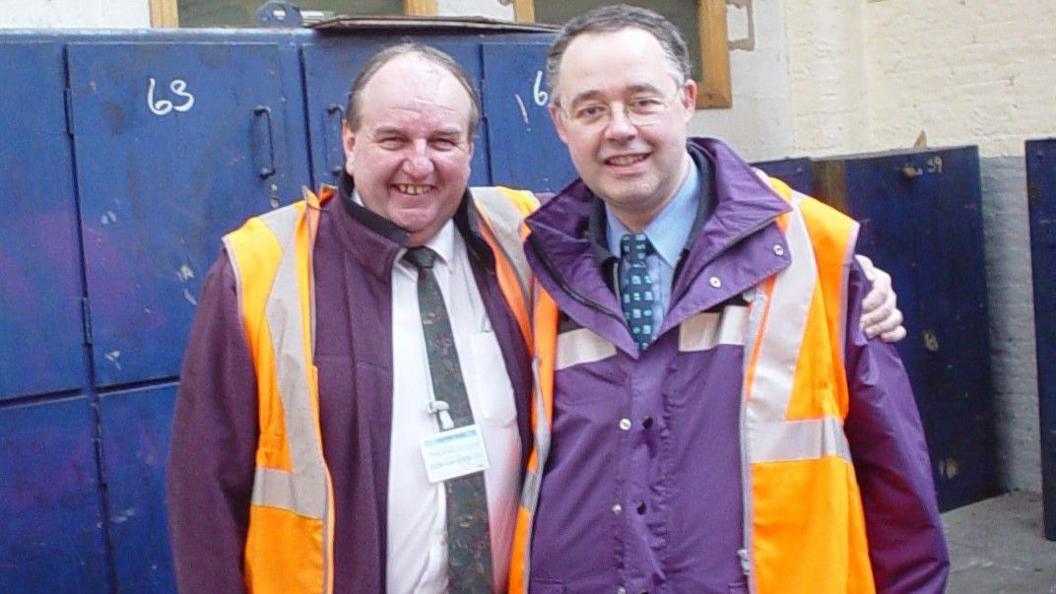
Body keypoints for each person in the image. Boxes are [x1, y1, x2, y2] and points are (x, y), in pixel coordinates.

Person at [166, 41, 905, 594]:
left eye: (443, 141)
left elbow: (669, 223)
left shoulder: (524, 238)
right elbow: (206, 495)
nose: (418, 164)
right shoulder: (261, 273)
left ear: (471, 149)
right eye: (392, 139)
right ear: (350, 143)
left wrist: (851, 277)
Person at [508, 5, 948, 594]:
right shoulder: (529, 260)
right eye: (590, 109)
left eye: (642, 101)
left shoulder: (814, 253)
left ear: (687, 100)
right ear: (561, 123)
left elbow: (896, 486)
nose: (618, 128)